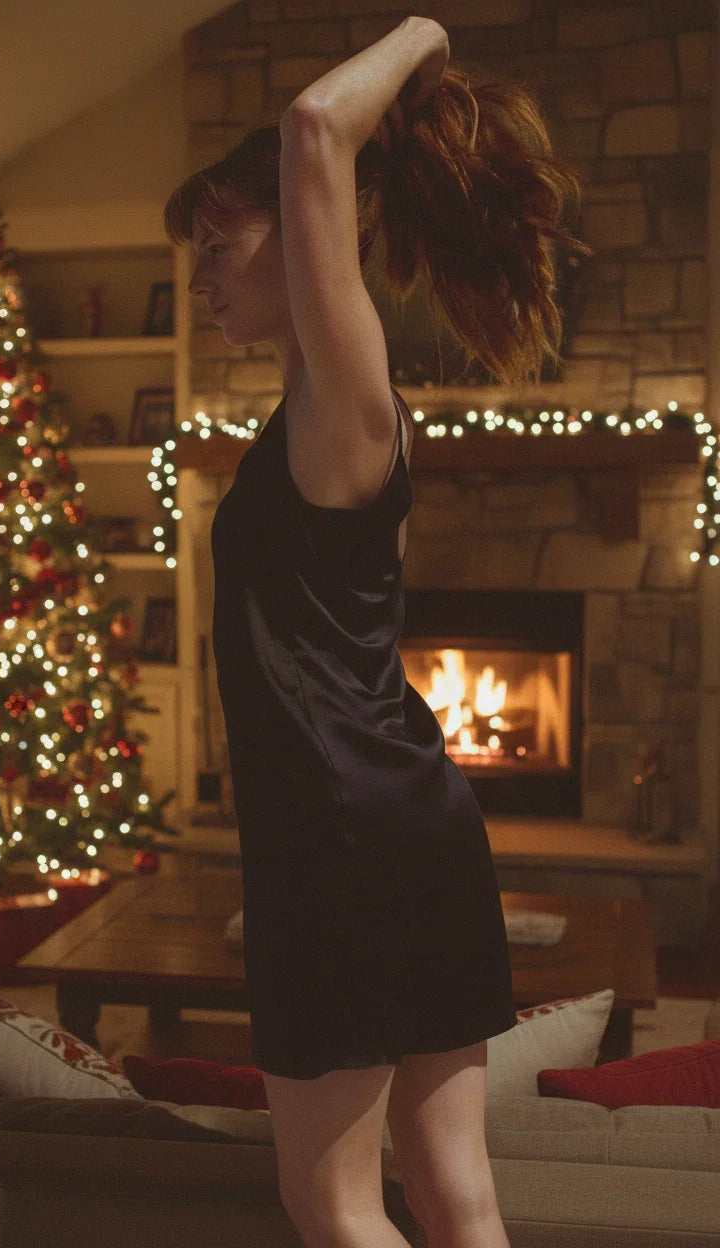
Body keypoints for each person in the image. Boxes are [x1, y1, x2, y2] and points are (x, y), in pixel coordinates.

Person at [163, 16, 587, 1248]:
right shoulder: (324, 408)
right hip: (405, 820)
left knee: (330, 1200)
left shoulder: (347, 393)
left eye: (215, 242)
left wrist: (423, 34)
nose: (198, 279)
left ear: (305, 232)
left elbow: (311, 128)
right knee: (454, 1192)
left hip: (337, 839)